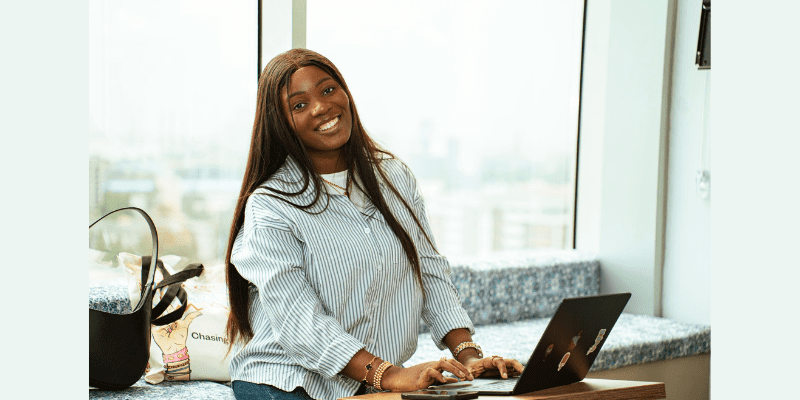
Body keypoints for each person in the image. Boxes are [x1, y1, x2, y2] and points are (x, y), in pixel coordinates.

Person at [224, 49, 523, 400]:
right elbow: (300, 322)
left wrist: (471, 360)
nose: (321, 107)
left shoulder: (392, 176)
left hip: (371, 384)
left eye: (327, 90)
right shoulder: (270, 205)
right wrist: (391, 374)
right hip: (287, 381)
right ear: (280, 122)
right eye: (299, 105)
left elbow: (428, 272)